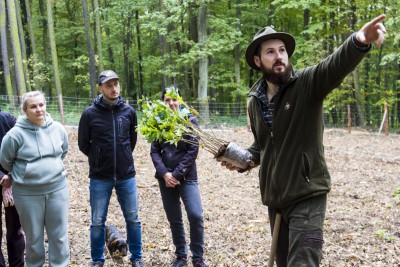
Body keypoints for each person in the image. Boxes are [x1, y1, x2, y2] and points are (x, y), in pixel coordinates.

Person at [220, 15, 387, 266]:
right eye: (270, 52)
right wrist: (244, 159)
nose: (279, 56)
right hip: (276, 201)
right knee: (285, 263)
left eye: (282, 50)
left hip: (308, 198)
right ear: (257, 60)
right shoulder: (255, 101)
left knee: (305, 262)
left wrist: (359, 40)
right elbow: (264, 145)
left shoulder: (307, 84)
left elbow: (334, 66)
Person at [78, 70, 144, 267]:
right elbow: (83, 144)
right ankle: (97, 259)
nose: (113, 88)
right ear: (100, 88)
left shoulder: (129, 112)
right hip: (100, 177)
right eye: (108, 85)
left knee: (133, 218)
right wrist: (99, 159)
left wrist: (122, 158)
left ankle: (137, 257)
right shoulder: (90, 114)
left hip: (126, 176)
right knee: (97, 221)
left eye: (116, 84)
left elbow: (131, 141)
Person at [0, 91, 70, 266]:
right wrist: (27, 172)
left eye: (41, 105)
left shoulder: (58, 129)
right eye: (33, 106)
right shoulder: (14, 135)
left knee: (59, 237)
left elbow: (63, 152)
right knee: (34, 239)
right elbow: (6, 161)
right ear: (25, 110)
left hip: (57, 190)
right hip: (27, 194)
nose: (39, 109)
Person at [150, 86, 208, 267]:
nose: (171, 103)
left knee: (195, 215)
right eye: (167, 100)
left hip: (187, 177)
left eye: (174, 99)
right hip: (165, 179)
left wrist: (176, 174)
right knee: (174, 219)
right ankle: (181, 256)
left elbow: (193, 150)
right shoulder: (157, 122)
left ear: (180, 101)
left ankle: (197, 257)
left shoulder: (190, 121)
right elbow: (154, 151)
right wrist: (165, 174)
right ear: (163, 103)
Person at [0, 110, 25, 267]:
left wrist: (10, 175)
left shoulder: (8, 119)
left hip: (11, 181)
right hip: (4, 177)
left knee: (15, 228)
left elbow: (22, 148)